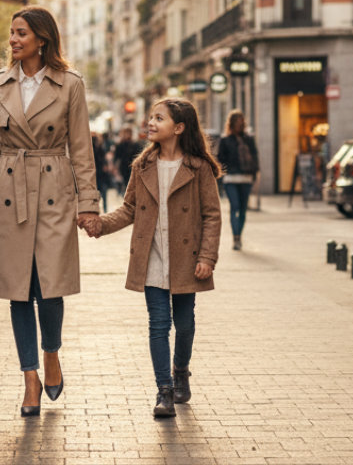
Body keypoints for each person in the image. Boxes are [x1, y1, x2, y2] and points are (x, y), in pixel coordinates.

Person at [0, 5, 100, 417]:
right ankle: (29, 377)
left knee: (50, 285)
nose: (13, 39)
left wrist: (89, 204)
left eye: (21, 32)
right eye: (11, 33)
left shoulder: (70, 84)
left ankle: (52, 352)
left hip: (54, 188)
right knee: (17, 289)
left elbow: (81, 149)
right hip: (10, 188)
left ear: (42, 38)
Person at [82, 97, 221, 417]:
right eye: (151, 118)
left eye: (159, 118)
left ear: (179, 128)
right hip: (152, 258)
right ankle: (164, 390)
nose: (151, 123)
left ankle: (181, 370)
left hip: (188, 259)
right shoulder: (142, 166)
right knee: (159, 325)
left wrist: (207, 256)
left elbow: (212, 215)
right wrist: (100, 225)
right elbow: (129, 209)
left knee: (184, 325)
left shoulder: (198, 168)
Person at [216, 110, 260, 250]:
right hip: (231, 179)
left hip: (246, 178)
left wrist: (254, 174)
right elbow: (219, 160)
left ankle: (239, 236)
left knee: (242, 209)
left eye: (242, 121)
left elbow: (255, 157)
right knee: (234, 206)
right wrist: (222, 177)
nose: (240, 124)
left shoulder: (249, 139)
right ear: (232, 123)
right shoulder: (225, 140)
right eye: (238, 121)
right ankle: (235, 237)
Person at [112, 125, 143, 193]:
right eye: (126, 133)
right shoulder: (120, 144)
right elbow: (116, 156)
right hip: (124, 168)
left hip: (134, 167)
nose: (127, 135)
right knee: (127, 184)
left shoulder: (135, 144)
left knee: (133, 184)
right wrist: (115, 167)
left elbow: (139, 155)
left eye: (128, 133)